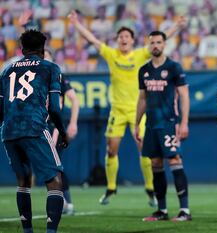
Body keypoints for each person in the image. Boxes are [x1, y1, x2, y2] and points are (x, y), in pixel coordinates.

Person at [68, 10, 187, 206]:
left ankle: (151, 190)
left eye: (127, 36)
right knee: (111, 149)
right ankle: (111, 188)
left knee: (147, 151)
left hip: (138, 110)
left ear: (132, 40)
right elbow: (92, 40)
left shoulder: (141, 54)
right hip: (117, 111)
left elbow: (159, 42)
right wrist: (76, 23)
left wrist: (176, 25)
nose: (123, 39)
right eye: (120, 36)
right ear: (117, 40)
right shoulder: (111, 54)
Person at [0, 29, 69, 233]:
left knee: (23, 179)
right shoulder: (50, 68)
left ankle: (28, 230)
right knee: (55, 180)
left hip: (9, 131)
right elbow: (54, 108)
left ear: (22, 49)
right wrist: (62, 132)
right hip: (35, 127)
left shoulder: (6, 70)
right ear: (42, 49)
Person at [134, 31, 191, 221]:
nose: (155, 45)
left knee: (174, 160)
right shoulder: (143, 70)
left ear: (164, 44)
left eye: (159, 42)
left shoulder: (174, 67)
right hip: (150, 125)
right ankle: (162, 210)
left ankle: (185, 210)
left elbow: (183, 95)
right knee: (155, 163)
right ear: (148, 45)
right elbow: (142, 99)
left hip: (168, 122)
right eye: (152, 43)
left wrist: (183, 122)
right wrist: (136, 123)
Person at [44, 49, 79, 215]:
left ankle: (65, 201)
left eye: (46, 56)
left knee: (55, 164)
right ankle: (63, 201)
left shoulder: (58, 76)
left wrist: (72, 123)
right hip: (39, 126)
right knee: (49, 165)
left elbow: (74, 99)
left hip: (54, 126)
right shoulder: (34, 77)